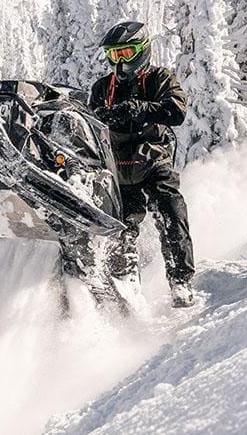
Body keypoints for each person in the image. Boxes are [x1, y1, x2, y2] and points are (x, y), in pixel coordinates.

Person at [89, 21, 196, 308]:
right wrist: (101, 117)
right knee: (119, 227)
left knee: (170, 208)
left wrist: (140, 109)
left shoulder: (160, 78)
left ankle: (180, 280)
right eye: (114, 54)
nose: (120, 61)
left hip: (152, 159)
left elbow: (176, 111)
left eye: (125, 53)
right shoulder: (102, 87)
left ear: (142, 50)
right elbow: (88, 121)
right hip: (117, 167)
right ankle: (125, 287)